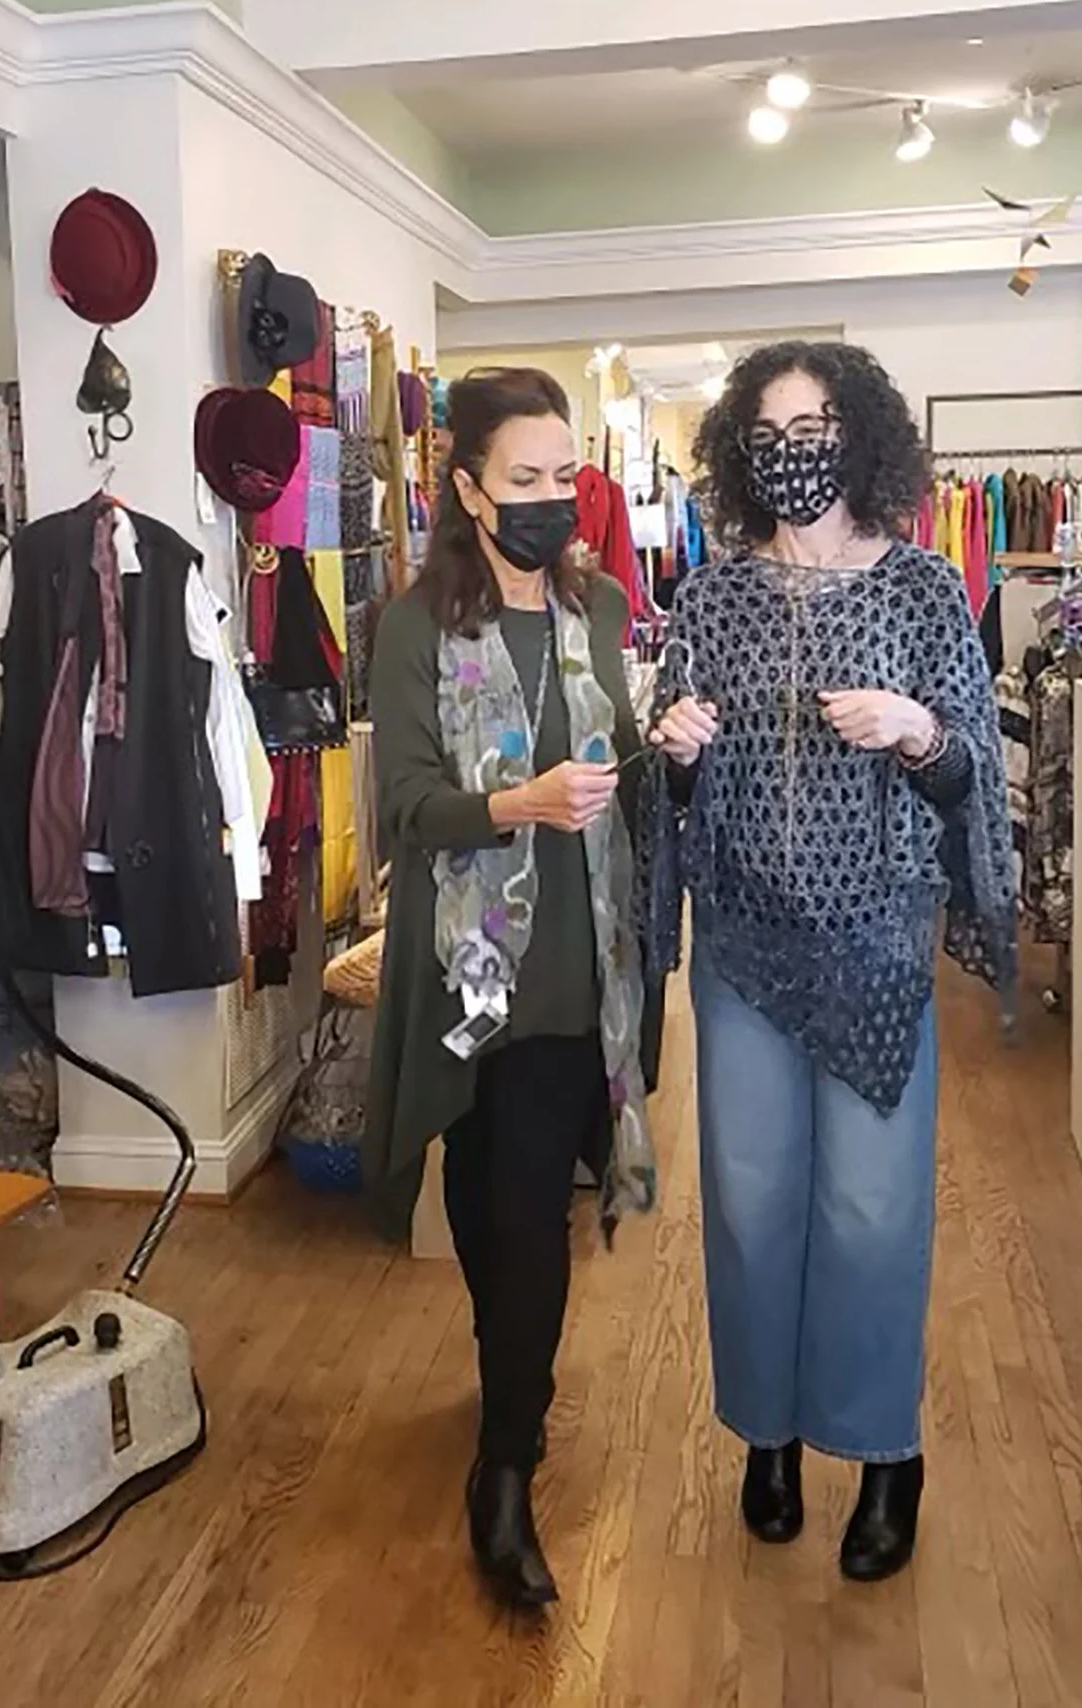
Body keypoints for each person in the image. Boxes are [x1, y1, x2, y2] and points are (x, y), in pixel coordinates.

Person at [646, 341, 1015, 1583]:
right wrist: (679, 752)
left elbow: (975, 774)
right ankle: (768, 1435)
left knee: (871, 1208)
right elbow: (672, 792)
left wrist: (918, 732)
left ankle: (882, 1450)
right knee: (750, 1205)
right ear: (741, 450)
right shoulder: (710, 601)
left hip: (875, 947)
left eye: (814, 424)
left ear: (859, 435)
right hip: (744, 947)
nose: (793, 446)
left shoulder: (919, 593)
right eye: (769, 428)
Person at [363, 367, 659, 1610]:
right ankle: (506, 1385)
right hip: (466, 976)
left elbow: (618, 776)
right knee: (490, 1215)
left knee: (531, 1220)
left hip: (574, 979)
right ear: (470, 488)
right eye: (523, 479)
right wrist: (512, 805)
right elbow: (407, 808)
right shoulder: (418, 624)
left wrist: (664, 747)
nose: (550, 500)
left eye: (562, 477)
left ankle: (506, 1466)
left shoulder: (591, 611)